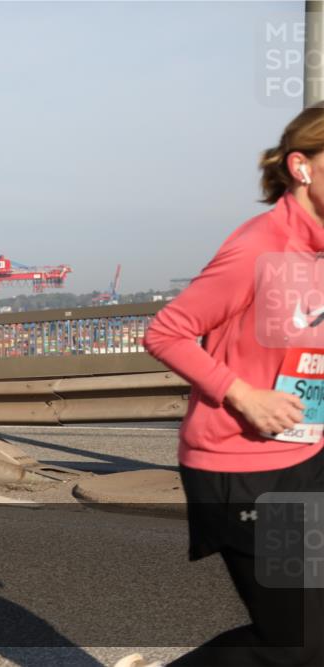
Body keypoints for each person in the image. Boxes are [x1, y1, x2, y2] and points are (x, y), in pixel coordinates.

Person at [133, 105, 324, 667]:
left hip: (303, 457)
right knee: (294, 645)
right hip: (243, 468)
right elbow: (166, 332)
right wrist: (243, 394)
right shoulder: (259, 247)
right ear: (302, 167)